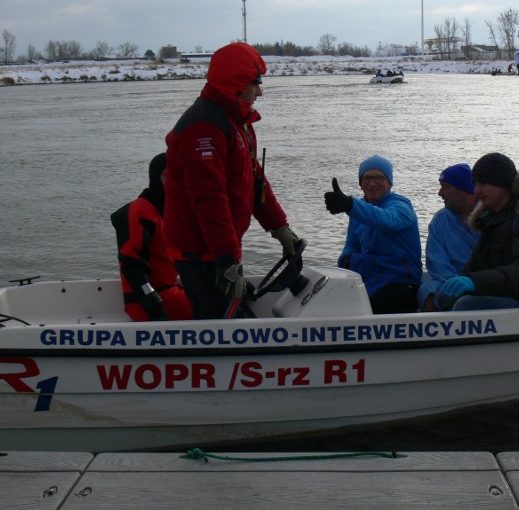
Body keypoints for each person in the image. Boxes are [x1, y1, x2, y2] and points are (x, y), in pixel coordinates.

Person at [163, 42, 301, 320]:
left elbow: (254, 180)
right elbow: (208, 200)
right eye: (256, 82)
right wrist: (227, 260)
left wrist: (280, 227)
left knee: (234, 318)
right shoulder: (204, 127)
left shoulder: (237, 122)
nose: (260, 91)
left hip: (219, 252)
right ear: (236, 84)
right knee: (221, 327)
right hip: (202, 256)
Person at [438, 152, 519, 311]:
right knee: (444, 295)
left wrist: (476, 282)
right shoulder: (491, 219)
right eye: (475, 183)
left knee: (467, 305)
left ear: (502, 184)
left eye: (483, 183)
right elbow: (475, 264)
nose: (476, 190)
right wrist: (456, 293)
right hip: (508, 294)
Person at [324, 155, 422, 314]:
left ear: (389, 182)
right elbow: (352, 244)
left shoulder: (401, 206)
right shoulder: (358, 210)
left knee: (377, 305)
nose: (371, 183)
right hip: (367, 280)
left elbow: (388, 220)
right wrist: (345, 260)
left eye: (378, 178)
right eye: (366, 178)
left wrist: (350, 204)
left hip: (399, 282)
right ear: (360, 184)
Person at [110, 153, 192, 321]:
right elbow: (132, 266)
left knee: (223, 300)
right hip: (149, 302)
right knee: (218, 307)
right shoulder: (140, 213)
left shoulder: (167, 211)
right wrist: (153, 304)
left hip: (168, 291)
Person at [418, 163, 480, 312]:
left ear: (465, 190)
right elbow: (437, 265)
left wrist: (472, 283)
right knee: (428, 291)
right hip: (449, 282)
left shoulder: (490, 216)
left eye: (445, 187)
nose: (440, 193)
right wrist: (454, 284)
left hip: (480, 282)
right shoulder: (440, 220)